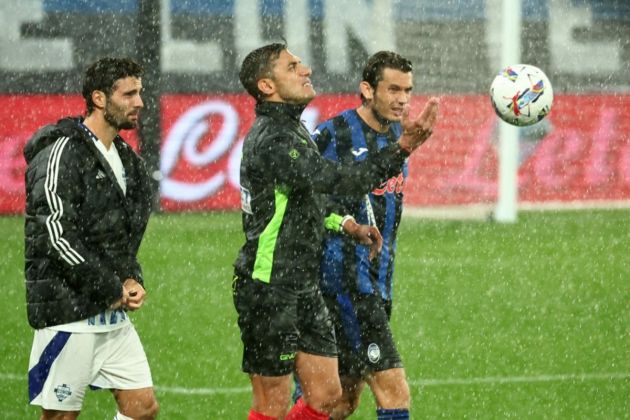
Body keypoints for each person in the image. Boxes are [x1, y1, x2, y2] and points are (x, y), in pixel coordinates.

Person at [232, 43, 438, 420]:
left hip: (306, 284)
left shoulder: (292, 130)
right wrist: (404, 146)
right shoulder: (277, 139)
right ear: (267, 85)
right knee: (275, 404)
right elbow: (339, 181)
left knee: (331, 396)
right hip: (274, 285)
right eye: (293, 66)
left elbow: (312, 198)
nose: (306, 70)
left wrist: (346, 224)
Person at [24, 57, 159, 420]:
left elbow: (124, 237)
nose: (140, 102)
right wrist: (110, 286)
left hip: (110, 314)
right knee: (61, 417)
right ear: (99, 98)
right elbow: (56, 234)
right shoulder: (62, 153)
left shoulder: (128, 159)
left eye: (140, 93)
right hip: (68, 313)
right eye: (129, 94)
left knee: (142, 409)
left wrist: (132, 279)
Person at [308, 51, 421, 419]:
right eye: (393, 89)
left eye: (407, 90)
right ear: (367, 90)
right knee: (394, 389)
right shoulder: (331, 135)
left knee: (339, 401)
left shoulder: (399, 138)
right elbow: (301, 202)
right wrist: (346, 225)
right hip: (344, 284)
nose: (402, 99)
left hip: (378, 284)